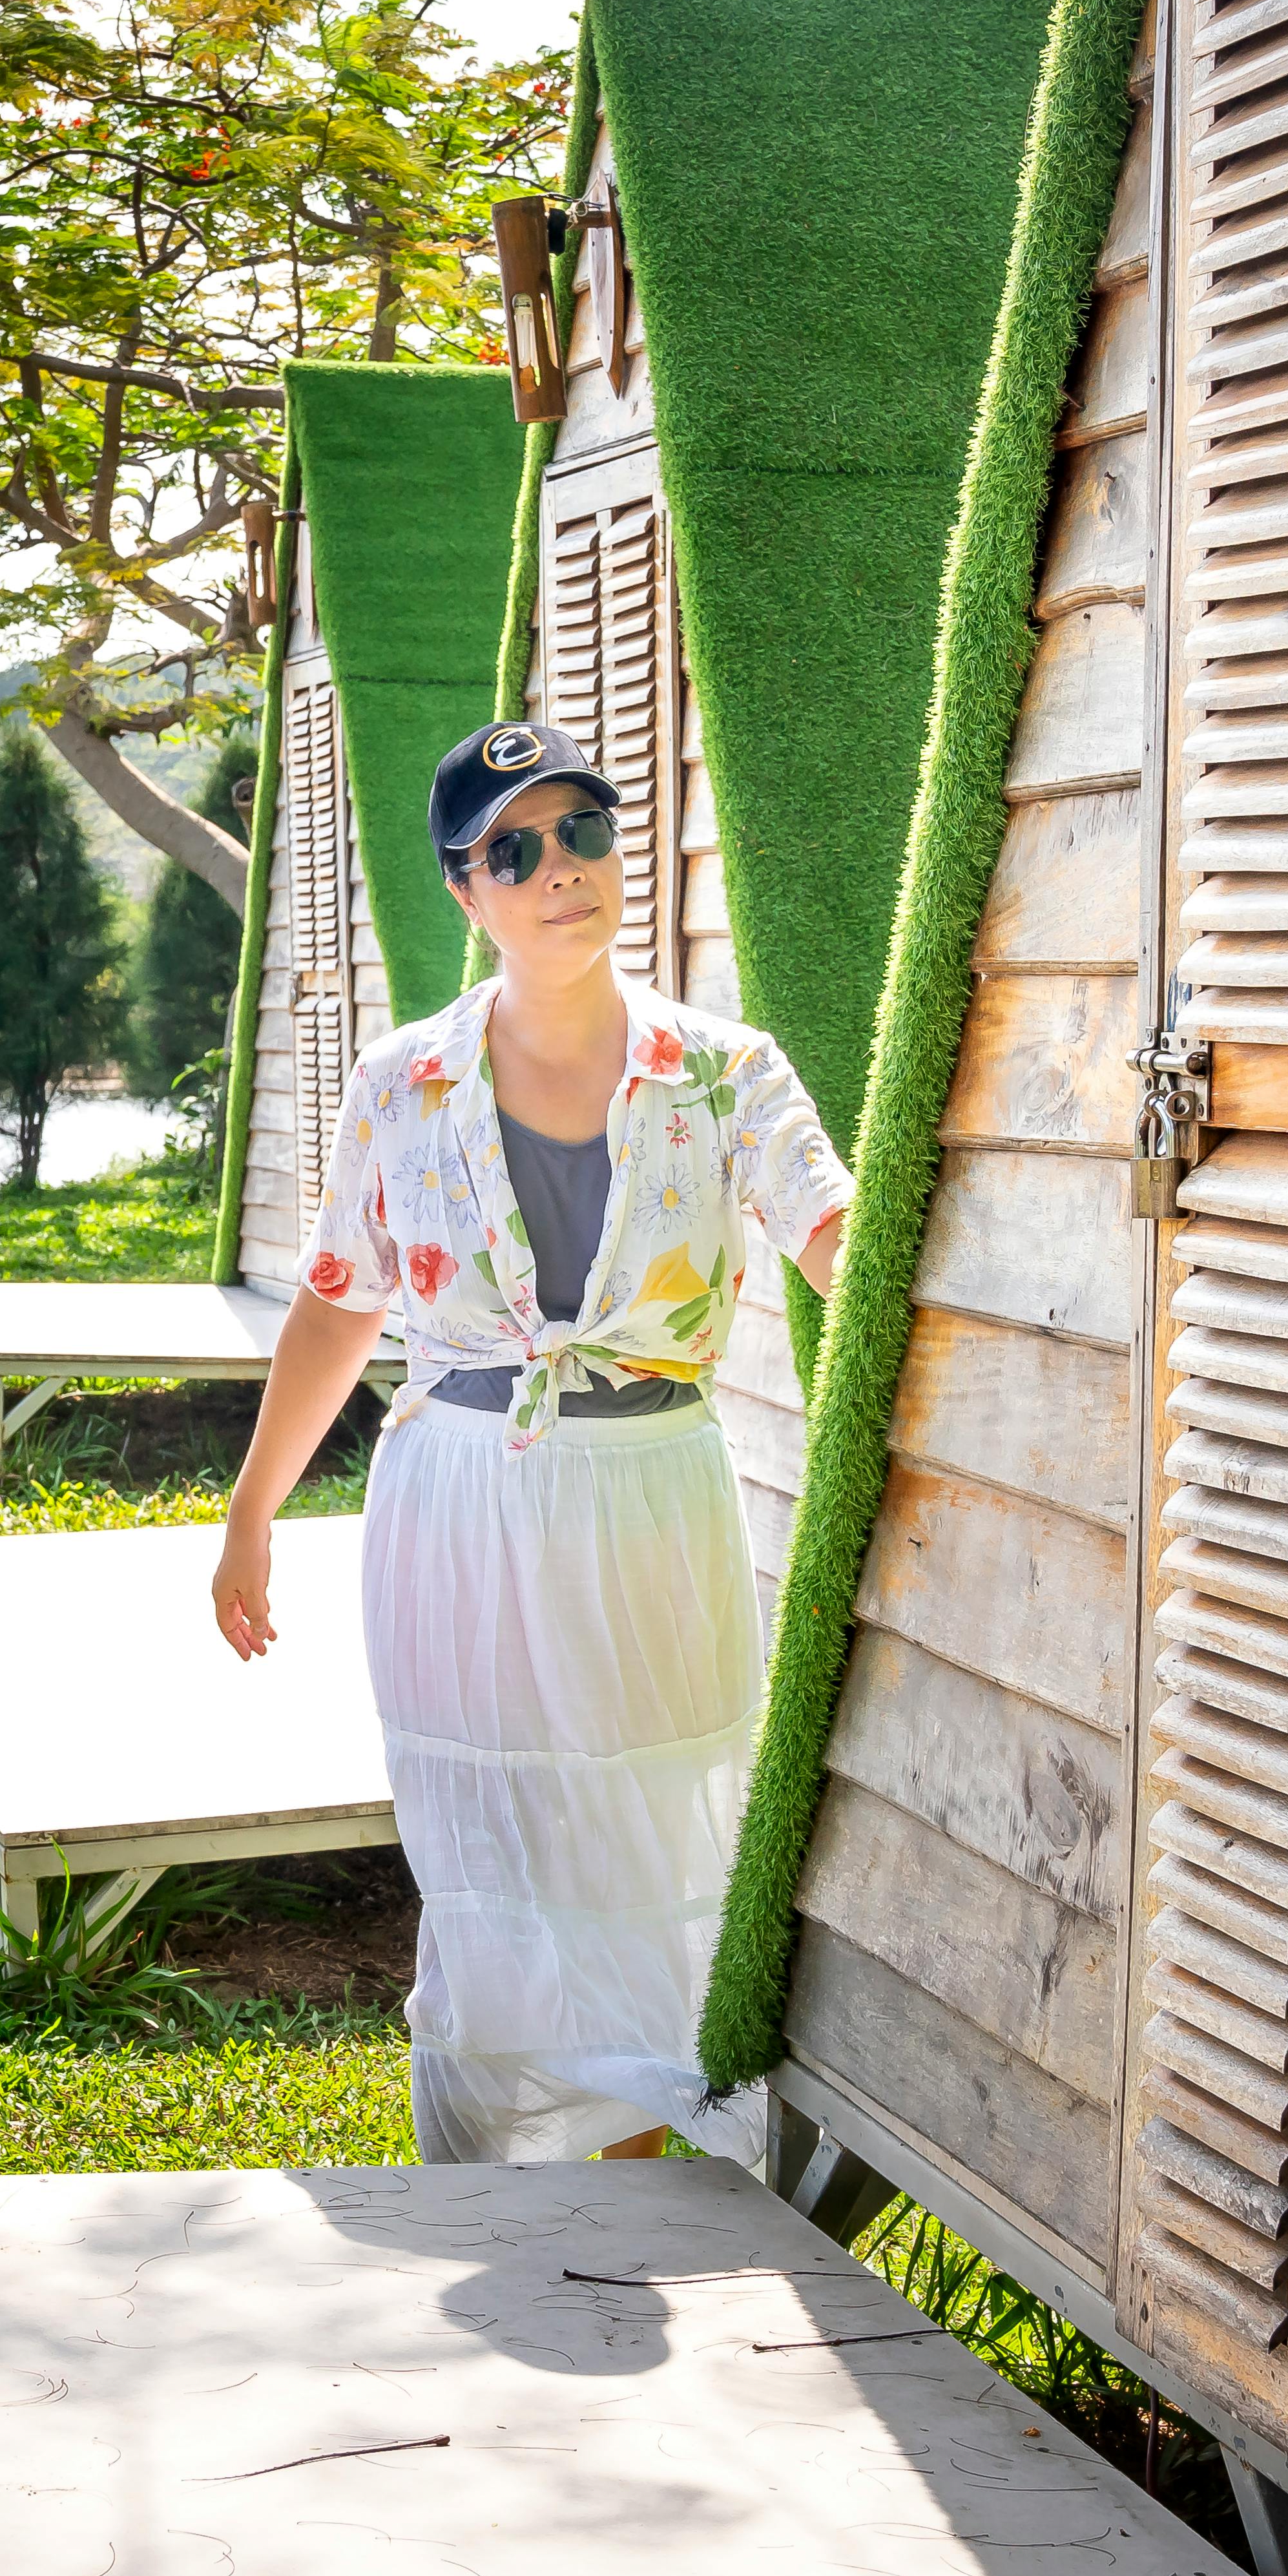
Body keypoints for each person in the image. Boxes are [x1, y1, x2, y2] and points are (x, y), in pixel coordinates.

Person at [212, 718, 853, 2165]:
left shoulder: (727, 1071)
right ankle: (483, 2175)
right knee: (488, 1838)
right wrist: (251, 1514)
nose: (561, 867)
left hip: (652, 1497)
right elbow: (333, 1305)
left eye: (585, 830)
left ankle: (628, 2170)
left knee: (653, 1822)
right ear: (465, 889)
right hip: (456, 1499)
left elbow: (838, 1238)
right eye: (517, 847)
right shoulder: (401, 1083)